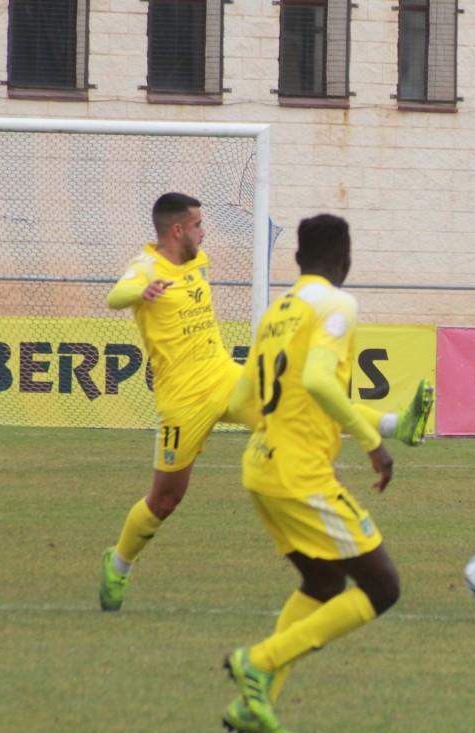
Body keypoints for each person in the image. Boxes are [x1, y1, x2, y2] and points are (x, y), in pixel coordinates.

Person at [98, 194, 433, 613]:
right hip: (182, 400)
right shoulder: (147, 266)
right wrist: (139, 290)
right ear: (177, 230)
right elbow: (116, 295)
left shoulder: (196, 262)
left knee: (298, 405)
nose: (205, 231)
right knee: (164, 501)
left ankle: (395, 424)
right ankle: (119, 563)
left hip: (224, 378)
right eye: (198, 225)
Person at [221, 214, 417, 733]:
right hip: (300, 475)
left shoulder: (276, 313)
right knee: (383, 587)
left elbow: (240, 403)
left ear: (296, 259)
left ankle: (253, 706)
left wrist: (290, 428)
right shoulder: (337, 304)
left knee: (323, 583)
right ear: (346, 261)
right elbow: (315, 381)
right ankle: (258, 661)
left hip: (260, 468)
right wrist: (375, 445)